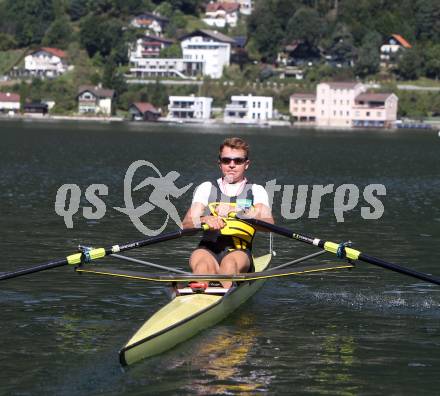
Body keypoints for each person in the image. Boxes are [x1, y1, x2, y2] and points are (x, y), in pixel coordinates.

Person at [182, 137, 274, 287]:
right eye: (226, 160)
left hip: (240, 252)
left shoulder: (256, 190)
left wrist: (238, 210)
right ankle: (198, 290)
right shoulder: (206, 188)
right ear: (220, 163)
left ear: (246, 164)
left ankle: (224, 294)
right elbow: (186, 225)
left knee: (229, 264)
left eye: (238, 161)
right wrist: (203, 219)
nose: (232, 165)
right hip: (207, 249)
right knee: (201, 265)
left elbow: (269, 224)